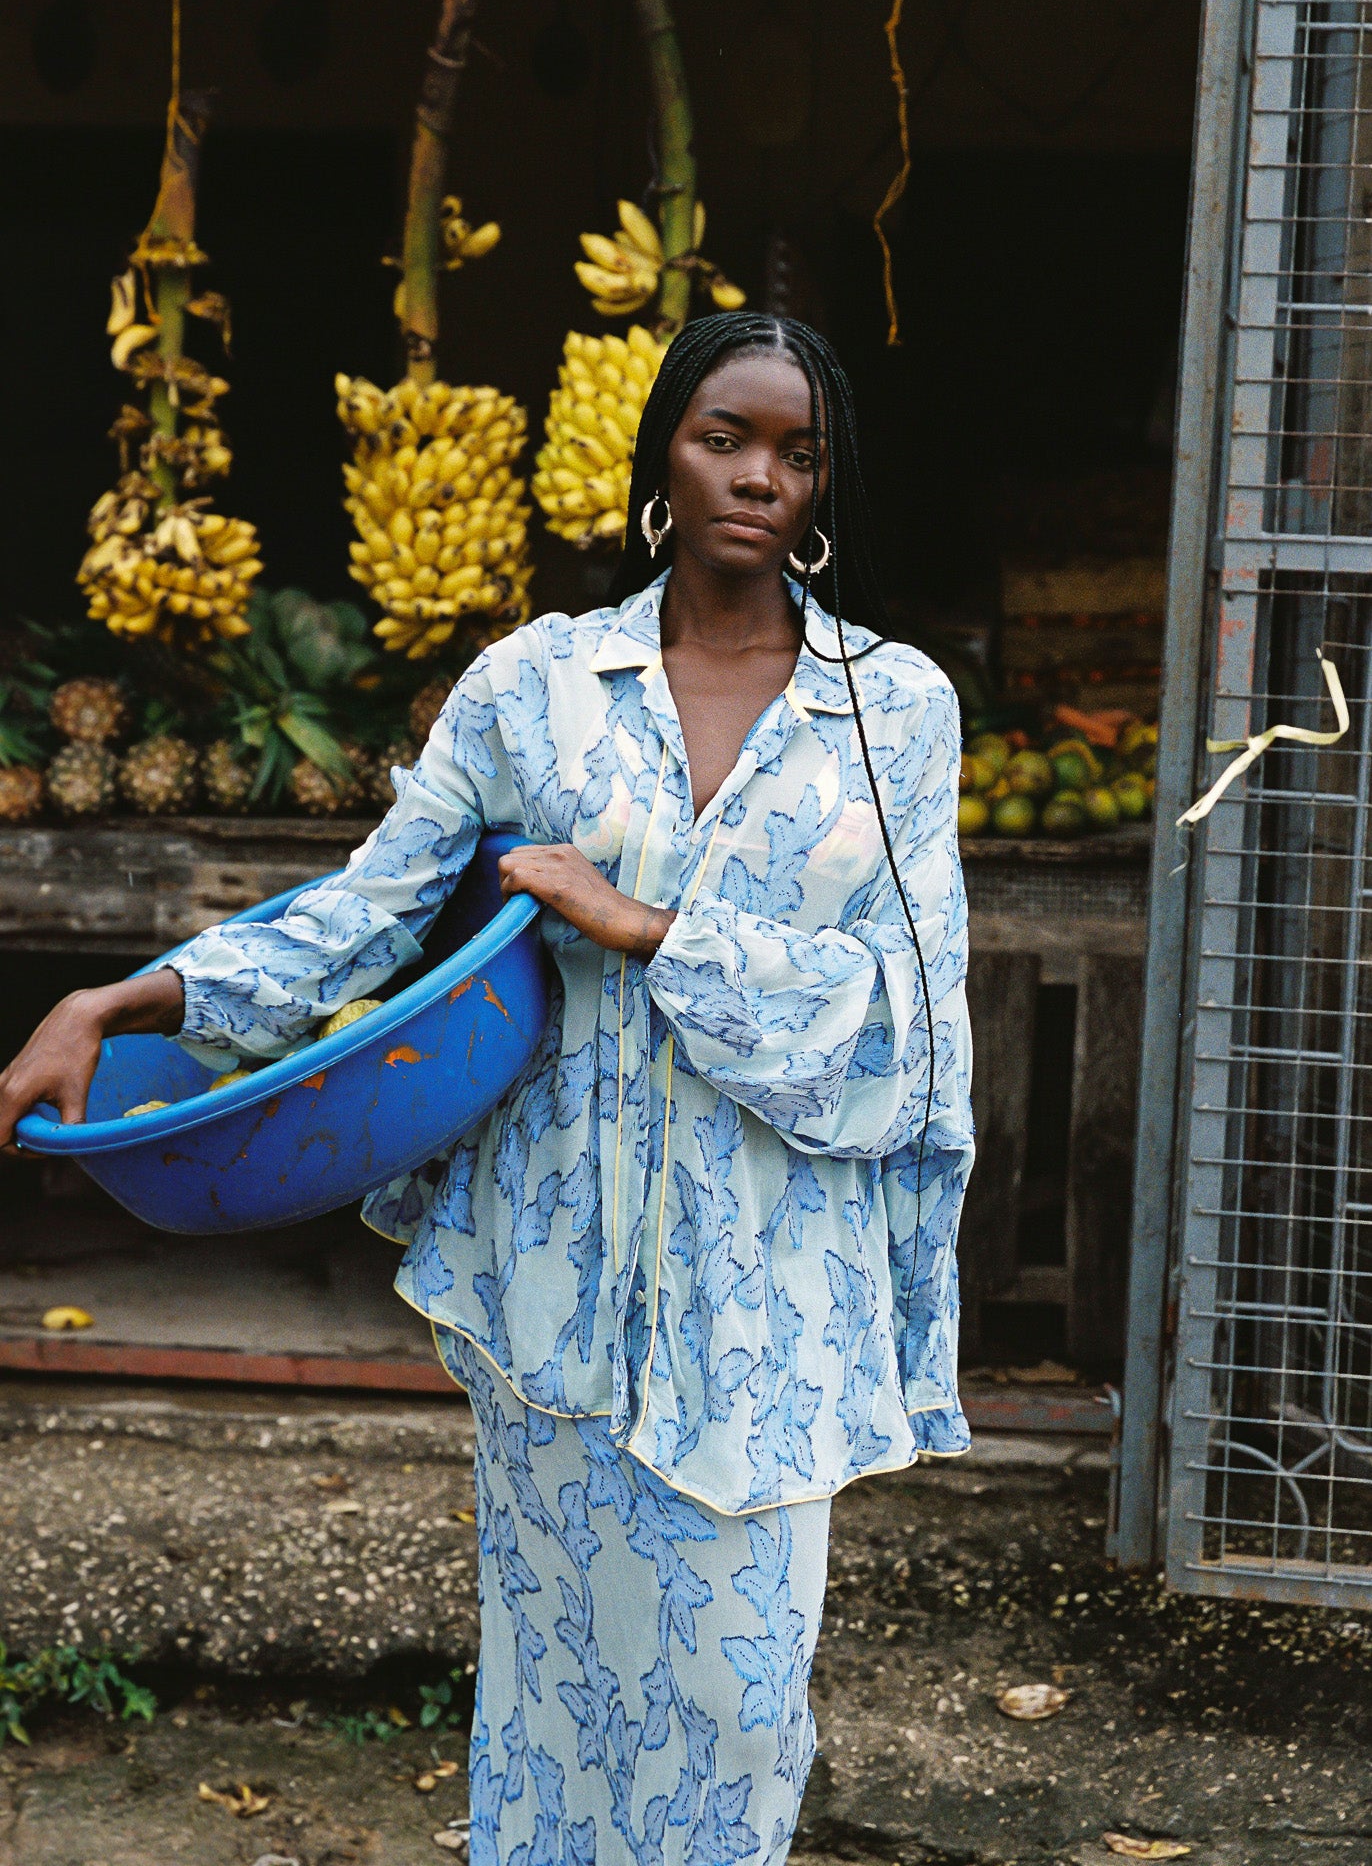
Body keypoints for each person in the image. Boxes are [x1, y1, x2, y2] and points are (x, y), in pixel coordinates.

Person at [0, 313, 973, 1866]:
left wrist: (644, 926)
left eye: (797, 453)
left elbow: (905, 1015)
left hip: (765, 1286)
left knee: (737, 1709)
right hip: (556, 1267)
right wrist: (119, 999)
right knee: (561, 1702)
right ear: (663, 457)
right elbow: (367, 913)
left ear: (826, 485)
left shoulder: (894, 709)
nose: (759, 478)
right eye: (724, 437)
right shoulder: (537, 685)